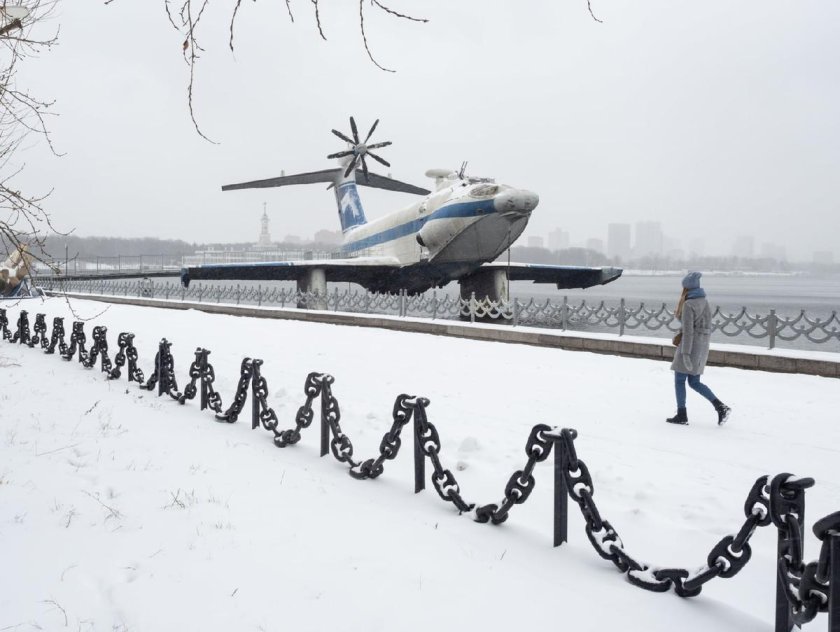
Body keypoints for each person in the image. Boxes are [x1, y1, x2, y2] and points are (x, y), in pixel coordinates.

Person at [667, 271, 731, 426]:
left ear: (687, 288)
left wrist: (686, 353)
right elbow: (707, 326)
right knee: (694, 382)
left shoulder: (689, 304)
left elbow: (688, 331)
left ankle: (682, 415)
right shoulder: (703, 301)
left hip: (690, 347)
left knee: (679, 380)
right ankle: (720, 407)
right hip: (702, 346)